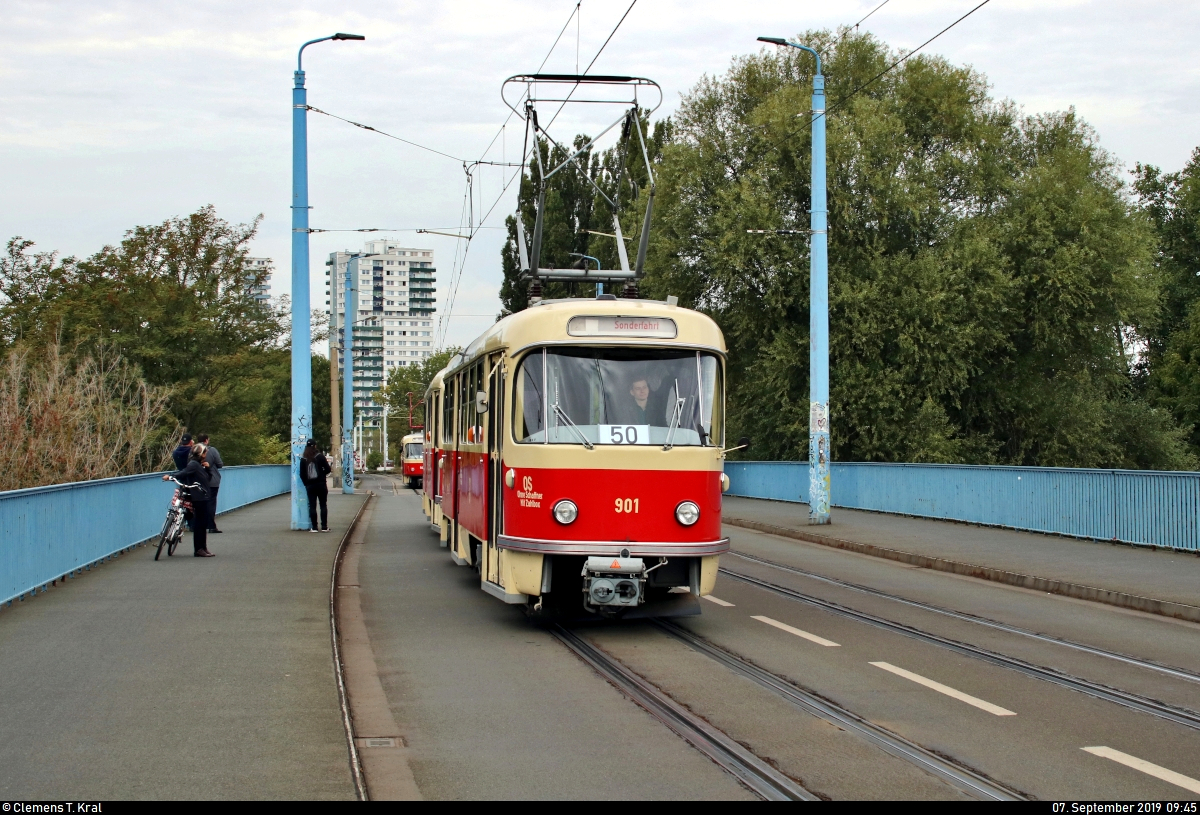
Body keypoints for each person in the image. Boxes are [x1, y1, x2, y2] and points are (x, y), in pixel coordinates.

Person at [163, 443, 214, 557]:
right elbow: (183, 473)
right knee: (200, 523)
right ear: (201, 454)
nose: (206, 455)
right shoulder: (194, 464)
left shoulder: (198, 465)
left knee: (202, 523)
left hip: (203, 496)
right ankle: (199, 549)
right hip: (199, 497)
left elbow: (208, 478)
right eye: (205, 453)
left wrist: (208, 468)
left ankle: (203, 547)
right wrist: (171, 476)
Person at [299, 439, 332, 533]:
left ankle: (314, 527)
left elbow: (302, 474)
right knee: (323, 505)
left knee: (312, 506)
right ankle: (324, 527)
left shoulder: (304, 459)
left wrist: (306, 483)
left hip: (310, 486)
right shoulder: (320, 456)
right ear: (315, 446)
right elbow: (328, 469)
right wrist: (322, 474)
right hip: (321, 484)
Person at [196, 433, 223, 533]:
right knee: (211, 503)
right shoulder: (212, 450)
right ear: (206, 440)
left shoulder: (193, 450)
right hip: (212, 481)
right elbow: (220, 464)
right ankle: (211, 526)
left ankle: (197, 525)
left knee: (199, 503)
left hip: (197, 481)